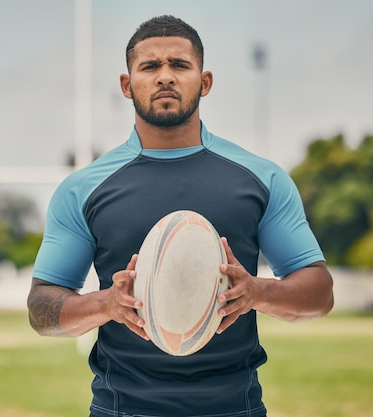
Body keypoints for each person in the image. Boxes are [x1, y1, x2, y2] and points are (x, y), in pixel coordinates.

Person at [27, 14, 334, 417]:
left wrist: (257, 292)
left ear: (204, 82)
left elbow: (320, 293)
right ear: (127, 84)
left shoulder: (261, 178)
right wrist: (107, 304)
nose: (165, 77)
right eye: (150, 66)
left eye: (180, 65)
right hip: (122, 409)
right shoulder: (83, 189)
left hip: (234, 409)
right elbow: (41, 309)